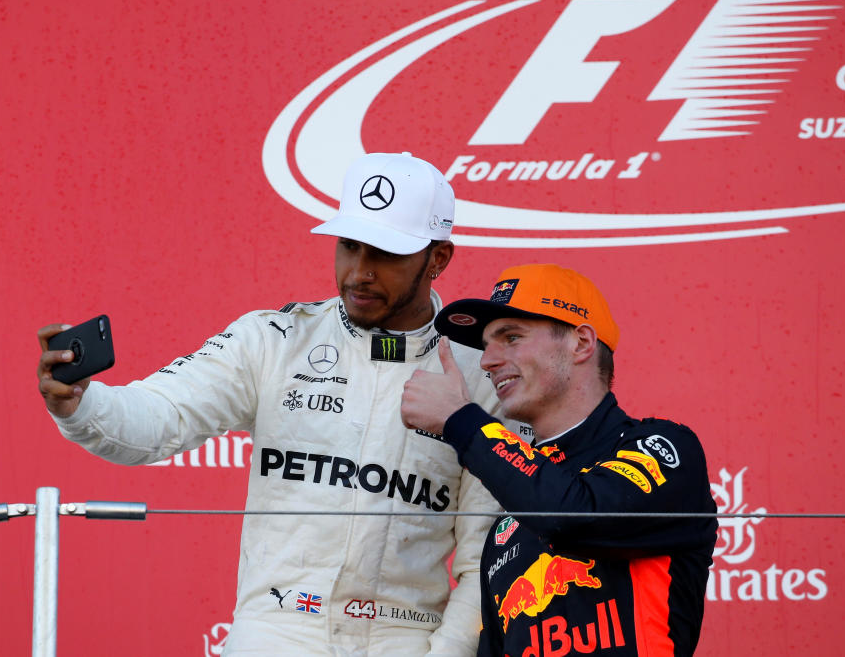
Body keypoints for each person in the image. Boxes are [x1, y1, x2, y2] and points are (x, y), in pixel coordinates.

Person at [36, 152, 519, 656]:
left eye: (385, 253)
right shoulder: (272, 340)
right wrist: (82, 404)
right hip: (277, 630)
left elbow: (486, 554)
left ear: (438, 259)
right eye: (349, 246)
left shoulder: (480, 375)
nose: (360, 272)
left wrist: (446, 654)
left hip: (404, 637)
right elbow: (160, 419)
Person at [401, 263, 718, 656]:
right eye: (486, 346)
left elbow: (575, 515)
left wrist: (462, 422)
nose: (487, 361)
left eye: (511, 337)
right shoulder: (510, 524)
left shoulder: (665, 447)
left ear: (581, 343)